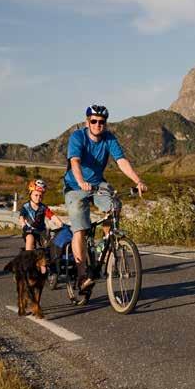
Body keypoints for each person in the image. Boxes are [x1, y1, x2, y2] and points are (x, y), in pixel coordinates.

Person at [63, 104, 147, 292]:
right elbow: (74, 161)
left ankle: (107, 243)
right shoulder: (78, 137)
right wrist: (81, 181)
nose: (98, 125)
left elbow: (121, 161)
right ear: (87, 122)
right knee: (81, 228)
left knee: (114, 204)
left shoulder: (109, 138)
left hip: (97, 184)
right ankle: (82, 275)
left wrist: (138, 180)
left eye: (102, 122)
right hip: (75, 186)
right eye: (94, 121)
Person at [19, 179, 64, 250]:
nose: (38, 198)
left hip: (41, 231)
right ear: (30, 194)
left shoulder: (43, 207)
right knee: (30, 239)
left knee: (48, 244)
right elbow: (21, 218)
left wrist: (61, 224)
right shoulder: (26, 206)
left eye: (41, 196)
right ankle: (28, 255)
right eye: (36, 195)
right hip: (29, 230)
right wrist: (24, 226)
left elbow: (52, 216)